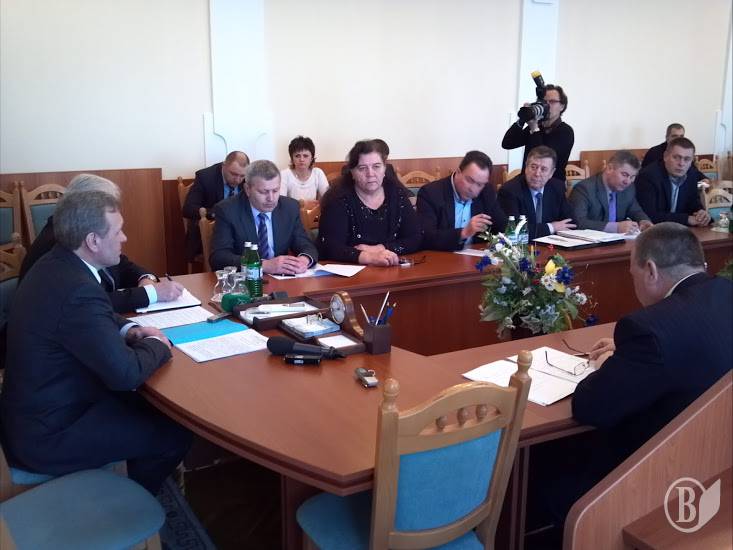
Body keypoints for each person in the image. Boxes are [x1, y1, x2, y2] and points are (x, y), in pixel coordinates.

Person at [0, 191, 191, 495]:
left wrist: (129, 330)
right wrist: (157, 343)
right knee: (175, 432)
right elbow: (125, 374)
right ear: (92, 241)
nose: (124, 238)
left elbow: (94, 313)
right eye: (118, 232)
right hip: (51, 433)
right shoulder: (77, 287)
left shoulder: (57, 263)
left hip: (36, 409)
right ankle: (127, 505)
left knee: (152, 407)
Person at [18, 174, 184, 312]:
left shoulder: (86, 232)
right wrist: (150, 294)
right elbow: (89, 302)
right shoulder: (60, 243)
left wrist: (145, 279)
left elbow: (123, 265)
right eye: (103, 204)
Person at [318, 139, 421, 266]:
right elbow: (330, 247)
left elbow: (416, 238)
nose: (370, 174)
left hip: (392, 268)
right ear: (352, 172)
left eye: (376, 166)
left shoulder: (396, 194)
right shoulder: (338, 199)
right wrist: (369, 257)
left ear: (384, 169)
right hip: (350, 272)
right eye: (362, 168)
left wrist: (379, 249)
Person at [209, 159, 318, 273]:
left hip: (281, 279)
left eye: (275, 190)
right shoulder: (227, 210)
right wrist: (263, 265)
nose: (271, 198)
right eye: (263, 192)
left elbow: (306, 245)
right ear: (247, 189)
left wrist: (304, 260)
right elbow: (219, 258)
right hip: (245, 280)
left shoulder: (289, 208)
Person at [416, 150, 507, 250]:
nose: (473, 189)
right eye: (470, 180)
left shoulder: (486, 191)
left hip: (476, 255)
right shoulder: (430, 193)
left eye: (480, 185)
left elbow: (503, 227)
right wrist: (463, 233)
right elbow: (426, 237)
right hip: (441, 256)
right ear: (458, 172)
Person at [182, 151, 250, 261]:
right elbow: (188, 209)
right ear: (224, 166)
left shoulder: (249, 178)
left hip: (240, 234)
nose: (238, 180)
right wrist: (216, 213)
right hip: (212, 236)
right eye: (233, 174)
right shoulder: (205, 177)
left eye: (242, 176)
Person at [497, 146, 576, 239]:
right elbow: (514, 230)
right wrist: (551, 227)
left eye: (543, 169)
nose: (537, 174)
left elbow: (572, 223)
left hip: (552, 244)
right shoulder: (510, 190)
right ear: (526, 167)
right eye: (533, 167)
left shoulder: (557, 187)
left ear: (551, 173)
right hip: (522, 246)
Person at [502, 84, 574, 181]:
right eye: (544, 102)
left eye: (552, 102)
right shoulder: (536, 126)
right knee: (506, 189)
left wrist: (534, 128)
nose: (547, 105)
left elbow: (543, 157)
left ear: (562, 106)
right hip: (527, 182)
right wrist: (522, 119)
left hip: (551, 185)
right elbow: (507, 143)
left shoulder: (566, 131)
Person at [569, 150, 653, 233]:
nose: (627, 181)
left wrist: (643, 221)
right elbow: (579, 222)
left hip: (619, 239)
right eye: (624, 175)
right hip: (592, 240)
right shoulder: (584, 189)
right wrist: (616, 227)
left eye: (632, 177)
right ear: (609, 168)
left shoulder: (629, 188)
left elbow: (635, 210)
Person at [635, 137, 711, 226]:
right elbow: (649, 215)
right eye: (676, 157)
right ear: (665, 156)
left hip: (680, 230)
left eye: (687, 159)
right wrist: (686, 219)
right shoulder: (648, 176)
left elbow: (693, 203)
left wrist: (701, 213)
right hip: (654, 231)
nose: (681, 164)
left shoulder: (691, 175)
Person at [279, 136, 330, 207]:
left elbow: (328, 198)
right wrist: (302, 203)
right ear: (292, 158)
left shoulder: (318, 173)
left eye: (305, 156)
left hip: (313, 213)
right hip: (291, 213)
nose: (301, 159)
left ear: (312, 158)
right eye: (297, 156)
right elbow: (281, 201)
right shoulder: (284, 174)